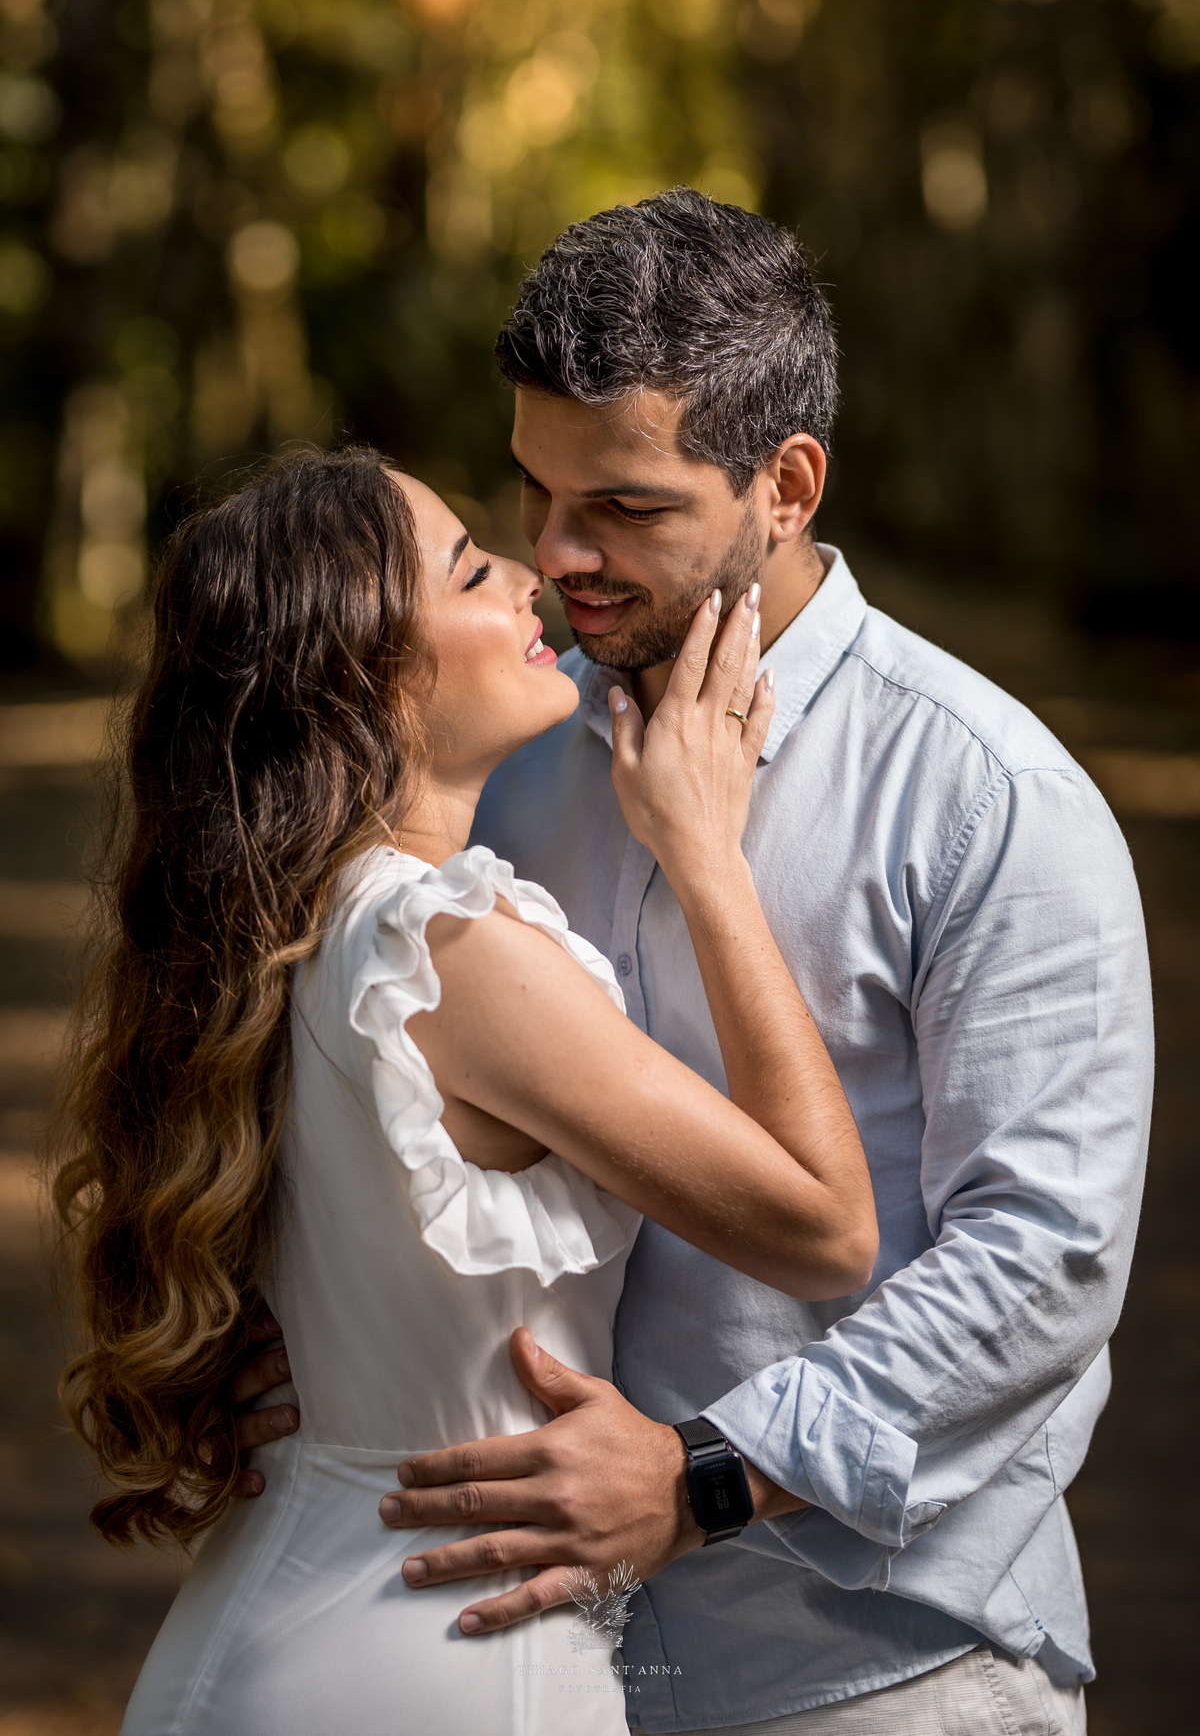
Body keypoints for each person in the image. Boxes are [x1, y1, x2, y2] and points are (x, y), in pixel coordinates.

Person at [240, 191, 1152, 1734]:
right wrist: (320, 1319)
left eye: (629, 509)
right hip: (533, 1663)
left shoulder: (987, 798)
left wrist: (705, 1479)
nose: (561, 556)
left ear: (785, 484)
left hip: (878, 1672)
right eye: (535, 493)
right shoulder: (507, 760)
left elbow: (1043, 1261)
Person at [51, 445, 878, 1736]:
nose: (529, 582)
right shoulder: (446, 949)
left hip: (296, 1619)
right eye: (470, 569)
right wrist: (709, 861)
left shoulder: (291, 932)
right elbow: (829, 1227)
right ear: (368, 675)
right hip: (436, 1662)